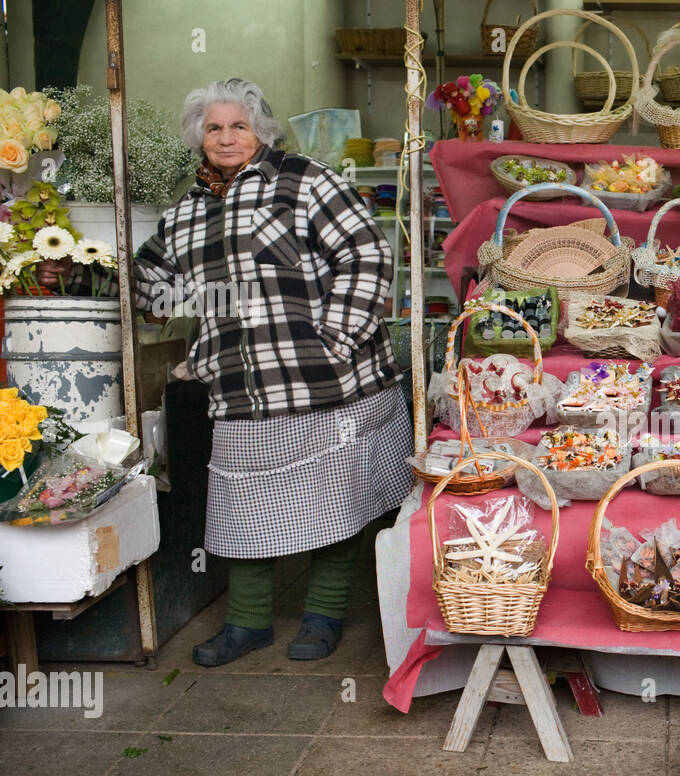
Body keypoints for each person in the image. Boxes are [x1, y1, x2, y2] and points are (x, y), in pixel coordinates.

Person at [46, 78, 412, 666]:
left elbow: (368, 253)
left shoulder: (305, 180)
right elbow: (156, 291)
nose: (226, 137)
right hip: (241, 387)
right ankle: (247, 624)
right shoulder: (187, 210)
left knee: (338, 504)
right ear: (199, 135)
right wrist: (74, 270)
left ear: (260, 129)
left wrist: (337, 339)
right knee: (242, 511)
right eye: (214, 127)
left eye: (238, 125)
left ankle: (322, 618)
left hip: (330, 381)